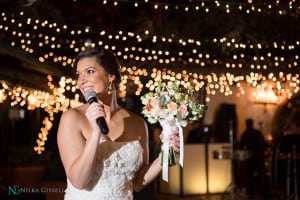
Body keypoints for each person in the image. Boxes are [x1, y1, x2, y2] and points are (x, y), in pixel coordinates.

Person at [57, 47, 180, 199]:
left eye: (89, 71)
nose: (81, 81)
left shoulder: (138, 123)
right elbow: (79, 181)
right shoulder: (72, 118)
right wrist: (96, 132)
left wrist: (166, 156)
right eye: (78, 75)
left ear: (110, 76)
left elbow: (137, 183)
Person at [239, 118, 265, 198]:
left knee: (250, 176)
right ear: (252, 124)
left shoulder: (244, 134)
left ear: (246, 124)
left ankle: (251, 193)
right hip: (259, 157)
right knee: (261, 175)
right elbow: (263, 144)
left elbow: (241, 147)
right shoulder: (258, 133)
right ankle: (263, 191)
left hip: (250, 158)